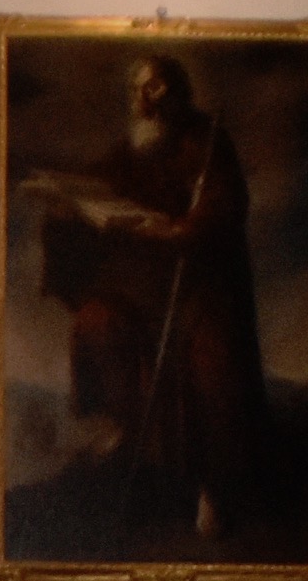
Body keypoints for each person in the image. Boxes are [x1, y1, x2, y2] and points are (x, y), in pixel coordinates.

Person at [35, 53, 275, 536]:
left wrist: (178, 230)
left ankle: (212, 489)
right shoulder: (133, 149)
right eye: (137, 89)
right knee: (98, 320)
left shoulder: (204, 141)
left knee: (210, 360)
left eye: (155, 87)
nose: (144, 99)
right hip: (141, 288)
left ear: (176, 90)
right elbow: (98, 186)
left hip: (202, 285)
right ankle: (129, 434)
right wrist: (65, 203)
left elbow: (223, 209)